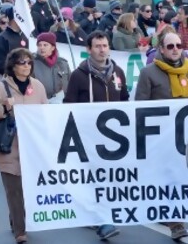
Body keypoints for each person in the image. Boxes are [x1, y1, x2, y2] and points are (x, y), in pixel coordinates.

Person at [63, 30, 128, 240]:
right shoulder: (78, 75)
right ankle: (103, 221)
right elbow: (68, 106)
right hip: (88, 137)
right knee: (95, 179)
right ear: (89, 50)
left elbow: (125, 102)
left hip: (114, 139)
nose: (102, 50)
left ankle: (99, 215)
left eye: (105, 45)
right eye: (98, 46)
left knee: (111, 179)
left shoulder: (117, 72)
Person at [0, 48, 48, 244]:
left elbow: (45, 115)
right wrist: (3, 108)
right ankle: (20, 230)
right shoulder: (0, 87)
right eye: (22, 63)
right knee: (14, 190)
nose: (26, 66)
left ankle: (16, 218)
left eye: (29, 63)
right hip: (9, 146)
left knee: (27, 190)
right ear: (13, 65)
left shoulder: (38, 86)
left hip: (32, 148)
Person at [134, 31, 188, 240]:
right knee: (172, 178)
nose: (175, 50)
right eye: (170, 46)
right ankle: (176, 224)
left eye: (178, 45)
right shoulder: (149, 73)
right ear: (162, 49)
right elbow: (140, 106)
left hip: (186, 136)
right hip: (164, 138)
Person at [0, 6, 29, 86]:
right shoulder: (2, 38)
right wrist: (15, 72)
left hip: (24, 79)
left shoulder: (25, 36)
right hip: (8, 81)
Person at [32, 32, 70, 103]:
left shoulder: (62, 63)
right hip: (39, 101)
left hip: (60, 101)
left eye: (45, 45)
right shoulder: (32, 62)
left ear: (53, 47)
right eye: (39, 45)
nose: (42, 48)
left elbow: (70, 83)